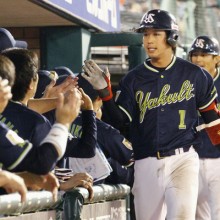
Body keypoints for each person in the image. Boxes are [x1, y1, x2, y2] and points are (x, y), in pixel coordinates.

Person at [81, 9, 220, 220]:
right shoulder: (134, 78)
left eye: (156, 33)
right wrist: (105, 94)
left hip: (183, 158)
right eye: (145, 34)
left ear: (171, 37)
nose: (148, 40)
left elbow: (212, 119)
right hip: (146, 161)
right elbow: (120, 121)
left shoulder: (195, 75)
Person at [188, 35, 220, 220]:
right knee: (197, 214)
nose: (198, 59)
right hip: (193, 158)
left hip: (218, 159)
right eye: (195, 54)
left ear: (217, 59)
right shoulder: (186, 85)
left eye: (204, 54)